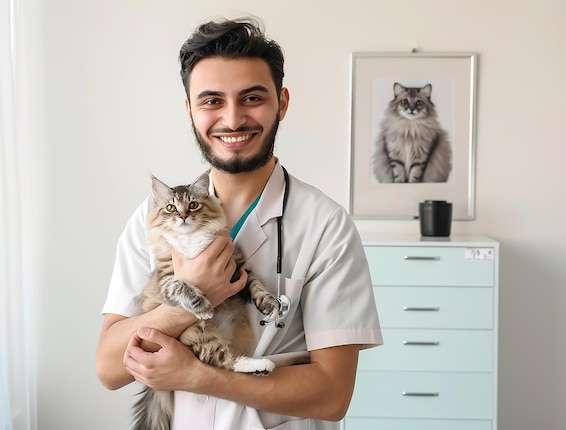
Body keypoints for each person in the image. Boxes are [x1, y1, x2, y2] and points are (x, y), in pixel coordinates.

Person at [96, 16, 382, 430]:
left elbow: (332, 395)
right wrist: (190, 300)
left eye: (251, 98)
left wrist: (197, 376)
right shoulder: (153, 219)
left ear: (281, 102)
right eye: (212, 100)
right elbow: (109, 367)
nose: (232, 119)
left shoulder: (325, 225)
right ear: (190, 110)